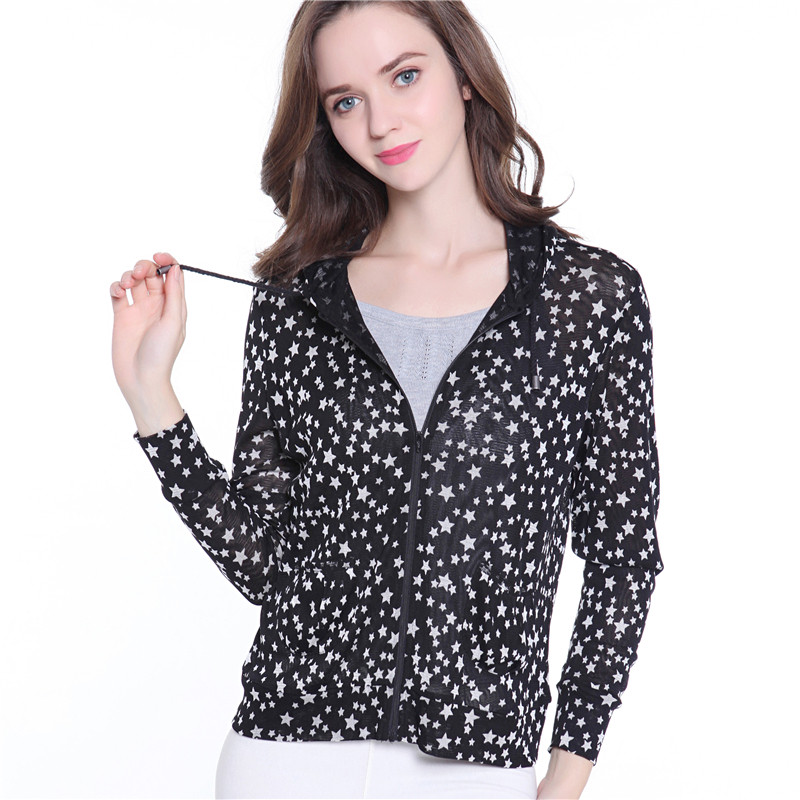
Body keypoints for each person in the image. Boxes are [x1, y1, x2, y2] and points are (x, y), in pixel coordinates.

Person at [110, 2, 664, 798]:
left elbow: (623, 557)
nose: (380, 123)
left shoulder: (586, 299)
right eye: (346, 101)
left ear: (464, 75)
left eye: (404, 77)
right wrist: (150, 393)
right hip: (283, 757)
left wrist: (565, 777)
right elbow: (268, 565)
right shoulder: (299, 302)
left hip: (475, 769)